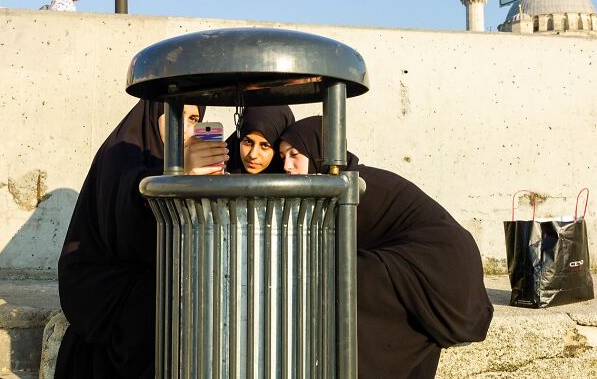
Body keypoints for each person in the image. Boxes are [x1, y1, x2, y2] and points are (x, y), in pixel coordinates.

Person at [279, 116, 493, 379]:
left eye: (295, 155)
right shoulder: (343, 181)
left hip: (442, 264)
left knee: (348, 275)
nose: (287, 165)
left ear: (319, 153)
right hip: (434, 261)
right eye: (283, 156)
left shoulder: (350, 187)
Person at [55, 100, 227, 379]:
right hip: (104, 278)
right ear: (154, 113)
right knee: (164, 304)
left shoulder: (175, 158)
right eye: (175, 114)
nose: (186, 127)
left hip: (153, 269)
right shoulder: (122, 151)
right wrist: (182, 177)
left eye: (194, 118)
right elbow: (128, 231)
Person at [224, 105, 295, 174]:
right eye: (248, 142)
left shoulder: (298, 181)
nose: (253, 155)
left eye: (265, 145)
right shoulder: (220, 169)